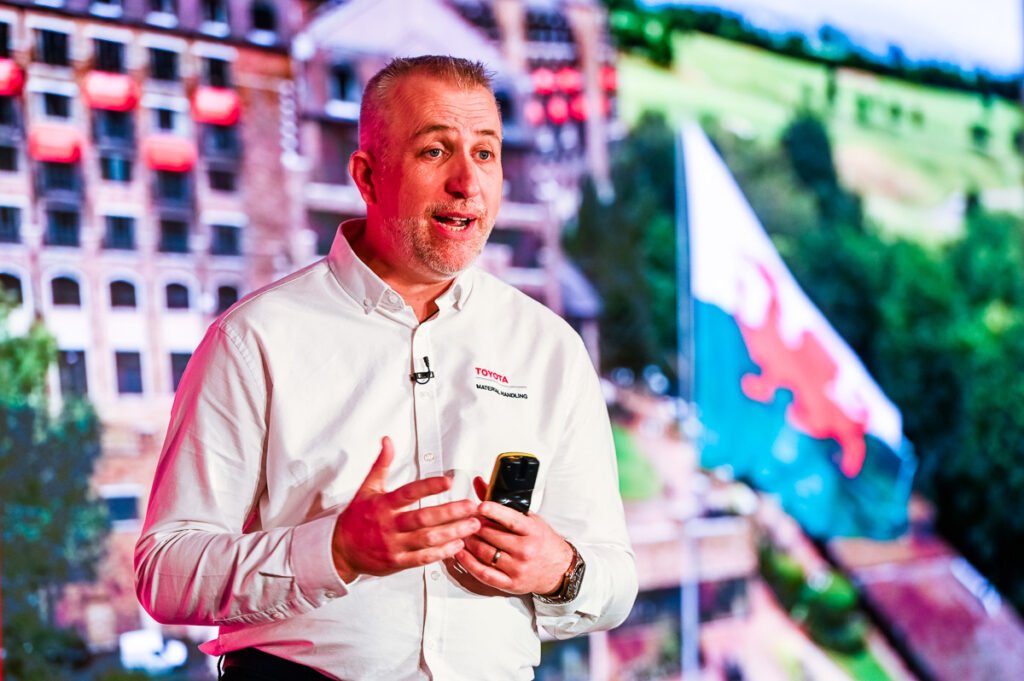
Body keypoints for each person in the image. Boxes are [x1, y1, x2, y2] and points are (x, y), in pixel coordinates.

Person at [135, 55, 637, 681]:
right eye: (435, 152)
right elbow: (165, 572)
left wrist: (561, 570)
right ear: (367, 177)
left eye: (486, 154)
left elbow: (615, 582)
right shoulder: (254, 338)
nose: (467, 183)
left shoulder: (550, 348)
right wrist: (335, 551)